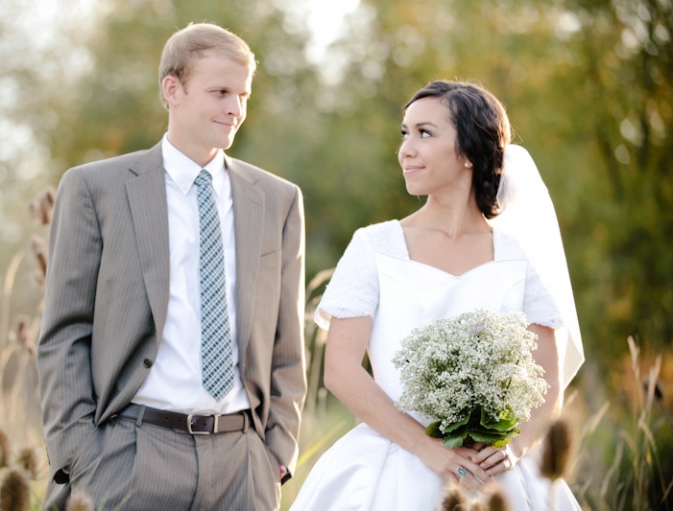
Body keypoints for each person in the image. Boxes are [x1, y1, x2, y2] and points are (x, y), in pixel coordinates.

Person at [38, 23, 306, 511]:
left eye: (243, 94)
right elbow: (64, 334)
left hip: (242, 464)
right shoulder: (96, 188)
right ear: (172, 89)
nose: (235, 109)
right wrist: (80, 457)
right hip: (130, 456)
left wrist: (277, 455)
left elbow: (286, 345)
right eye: (220, 92)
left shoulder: (278, 200)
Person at [290, 80, 584, 510]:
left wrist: (512, 449)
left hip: (497, 477)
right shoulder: (374, 246)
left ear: (467, 152)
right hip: (391, 464)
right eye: (405, 133)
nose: (406, 149)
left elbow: (550, 382)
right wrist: (428, 450)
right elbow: (340, 369)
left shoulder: (519, 258)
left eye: (425, 133)